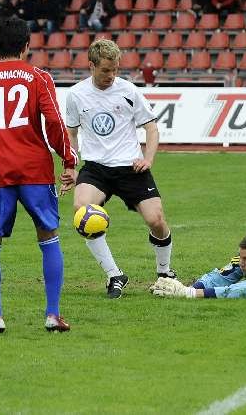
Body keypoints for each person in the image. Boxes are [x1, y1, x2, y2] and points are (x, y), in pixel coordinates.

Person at [0, 16, 78, 333]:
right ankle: (53, 315)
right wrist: (69, 160)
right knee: (49, 237)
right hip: (36, 171)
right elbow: (54, 121)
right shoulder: (39, 78)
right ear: (27, 46)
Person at [65, 39, 176, 299]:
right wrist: (71, 166)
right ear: (91, 65)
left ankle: (164, 272)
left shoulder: (128, 90)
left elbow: (151, 127)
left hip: (130, 167)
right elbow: (71, 133)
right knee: (82, 212)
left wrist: (147, 159)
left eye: (115, 69)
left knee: (156, 220)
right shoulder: (76, 94)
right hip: (96, 168)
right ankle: (115, 275)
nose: (111, 76)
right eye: (105, 70)